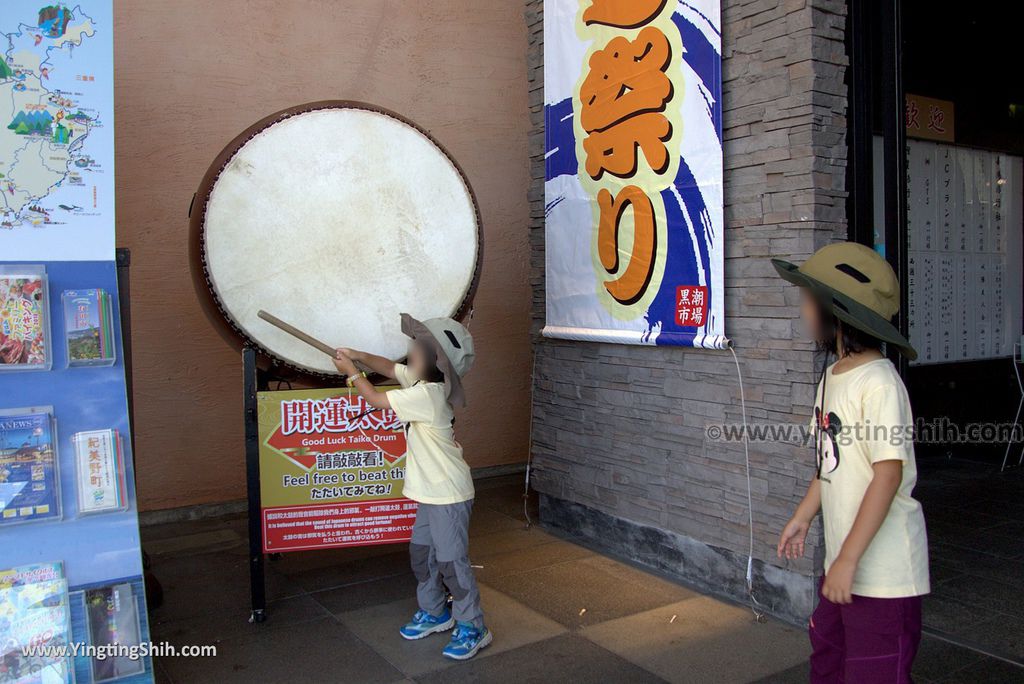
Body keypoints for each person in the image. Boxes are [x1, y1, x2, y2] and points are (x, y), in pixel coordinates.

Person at [773, 243, 929, 683]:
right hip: (844, 568)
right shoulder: (832, 377)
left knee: (874, 673)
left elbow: (888, 472)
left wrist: (848, 559)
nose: (802, 307)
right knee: (828, 661)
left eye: (807, 297)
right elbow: (829, 464)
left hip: (881, 573)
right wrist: (803, 517)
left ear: (833, 310)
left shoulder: (880, 383)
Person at [332, 313, 491, 660]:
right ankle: (435, 612)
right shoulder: (421, 383)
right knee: (423, 554)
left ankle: (473, 625)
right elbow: (389, 368)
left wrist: (351, 372)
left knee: (451, 562)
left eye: (417, 350)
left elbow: (374, 398)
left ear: (436, 364)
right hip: (430, 494)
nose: (410, 353)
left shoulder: (430, 396)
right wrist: (358, 354)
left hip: (448, 495)